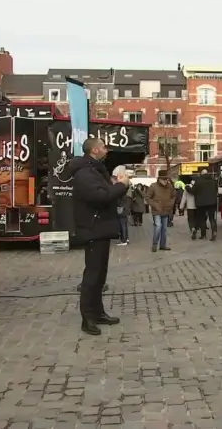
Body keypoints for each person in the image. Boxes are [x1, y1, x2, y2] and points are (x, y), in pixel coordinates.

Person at [69, 138, 129, 335]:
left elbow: (102, 191)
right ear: (95, 150)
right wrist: (122, 186)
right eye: (103, 146)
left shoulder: (94, 170)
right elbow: (99, 197)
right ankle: (88, 318)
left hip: (100, 228)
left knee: (100, 275)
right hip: (93, 228)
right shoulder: (85, 172)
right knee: (92, 276)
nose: (106, 149)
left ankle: (98, 312)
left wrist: (112, 184)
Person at [146, 170, 176, 252]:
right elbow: (147, 197)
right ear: (159, 179)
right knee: (158, 226)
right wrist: (155, 205)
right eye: (164, 179)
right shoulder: (153, 186)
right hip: (157, 211)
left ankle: (162, 245)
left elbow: (174, 196)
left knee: (164, 229)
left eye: (166, 179)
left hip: (166, 210)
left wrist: (170, 204)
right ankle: (154, 244)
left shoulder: (170, 187)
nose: (165, 181)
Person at [191, 169, 219, 240]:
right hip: (212, 202)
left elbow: (194, 191)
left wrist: (188, 188)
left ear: (201, 174)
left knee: (202, 219)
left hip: (201, 203)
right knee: (212, 218)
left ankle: (203, 235)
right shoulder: (213, 181)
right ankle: (214, 232)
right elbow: (216, 190)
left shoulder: (198, 181)